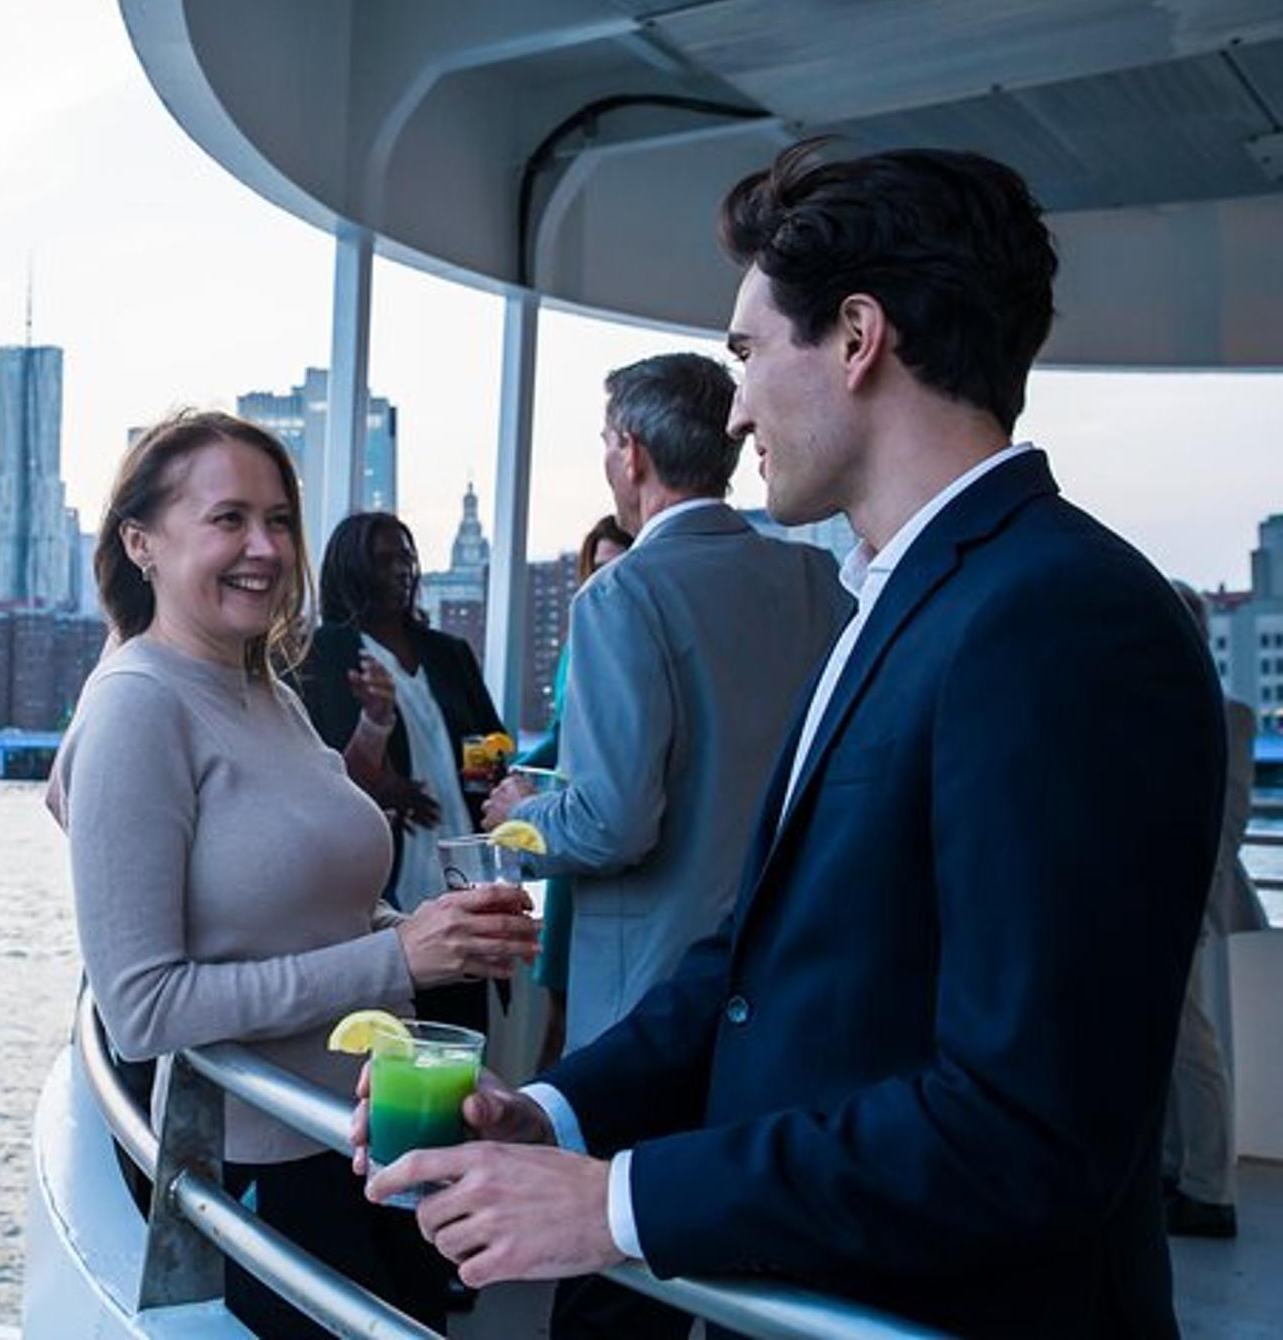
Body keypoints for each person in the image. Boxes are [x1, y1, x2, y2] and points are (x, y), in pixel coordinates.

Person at [357, 140, 1226, 1337]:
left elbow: (1024, 1129)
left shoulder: (1060, 620)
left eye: (747, 351)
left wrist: (618, 1203)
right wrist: (551, 1114)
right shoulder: (895, 597)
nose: (733, 406)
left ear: (858, 338)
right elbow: (748, 966)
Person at [51, 410, 538, 1339]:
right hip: (261, 1171)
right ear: (141, 542)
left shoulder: (263, 688)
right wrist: (399, 961)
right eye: (228, 519)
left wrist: (429, 927)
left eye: (279, 520)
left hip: (359, 1136)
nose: (265, 548)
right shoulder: (136, 710)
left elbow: (317, 902)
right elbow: (143, 1009)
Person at [483, 352, 848, 1053]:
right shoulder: (816, 579)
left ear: (632, 452)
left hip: (650, 1002)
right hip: (785, 977)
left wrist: (518, 817)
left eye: (604, 442)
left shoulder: (620, 597)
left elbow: (612, 824)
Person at [299, 511, 507, 1036]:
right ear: (350, 569)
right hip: (386, 890)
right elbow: (312, 776)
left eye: (406, 557)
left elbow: (490, 740)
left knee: (463, 1039)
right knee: (396, 1040)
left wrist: (483, 770)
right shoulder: (323, 655)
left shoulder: (449, 653)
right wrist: (387, 784)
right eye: (383, 559)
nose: (399, 570)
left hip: (462, 878)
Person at [1162, 580, 1270, 1238]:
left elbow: (1225, 822)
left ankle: (1209, 1187)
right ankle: (1181, 1171)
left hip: (1184, 904)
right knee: (1174, 1045)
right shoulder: (1174, 705)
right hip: (1162, 902)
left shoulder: (1228, 714)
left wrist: (1184, 905)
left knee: (1191, 1046)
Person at [521, 515, 635, 1068]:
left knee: (583, 1011)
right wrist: (514, 778)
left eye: (619, 566)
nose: (606, 582)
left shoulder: (634, 638)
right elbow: (560, 737)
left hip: (608, 829)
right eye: (598, 570)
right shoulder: (579, 644)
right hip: (571, 827)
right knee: (559, 998)